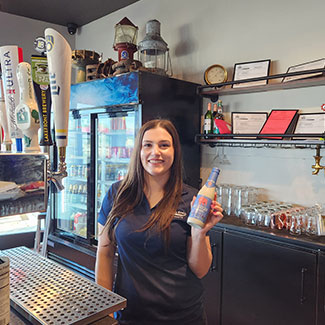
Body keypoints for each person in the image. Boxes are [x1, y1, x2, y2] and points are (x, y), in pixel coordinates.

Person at [96, 119, 223, 325]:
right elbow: (105, 251)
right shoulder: (117, 194)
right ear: (139, 150)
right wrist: (105, 312)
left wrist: (200, 233)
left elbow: (199, 270)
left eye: (164, 145)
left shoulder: (192, 199)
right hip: (131, 314)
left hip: (183, 317)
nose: (156, 152)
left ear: (175, 151)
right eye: (148, 145)